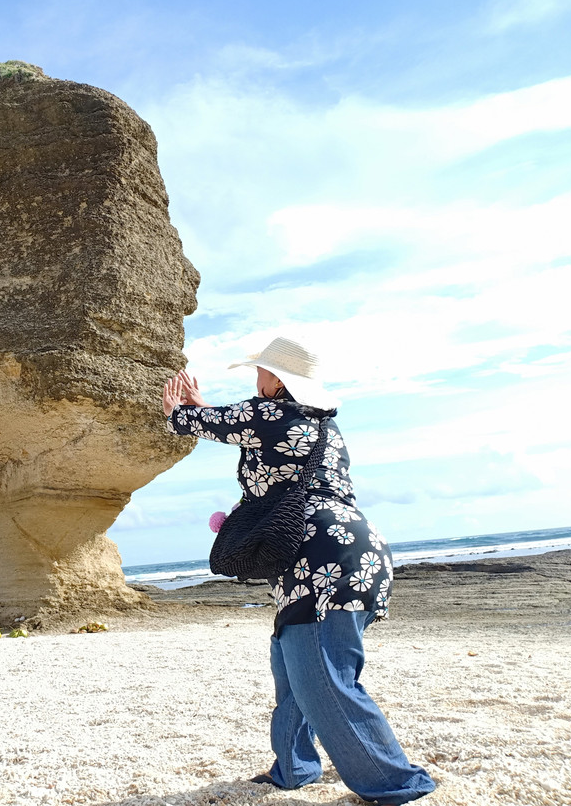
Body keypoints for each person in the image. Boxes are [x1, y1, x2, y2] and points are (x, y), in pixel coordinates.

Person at [162, 336, 435, 805]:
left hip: (323, 560)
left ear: (278, 381)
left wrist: (178, 410)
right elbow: (245, 427)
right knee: (293, 666)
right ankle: (294, 768)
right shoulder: (317, 424)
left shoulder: (271, 413)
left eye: (261, 373)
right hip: (348, 552)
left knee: (324, 679)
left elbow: (208, 423)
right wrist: (203, 407)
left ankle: (396, 784)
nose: (256, 380)